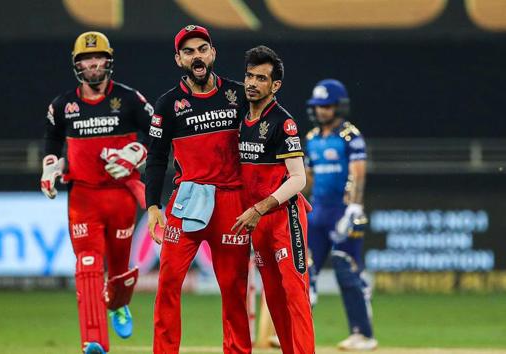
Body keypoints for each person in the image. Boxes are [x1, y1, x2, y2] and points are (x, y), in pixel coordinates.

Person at [40, 31, 153, 354]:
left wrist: (137, 153)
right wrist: (51, 166)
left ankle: (118, 304)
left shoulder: (129, 99)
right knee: (88, 264)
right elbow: (52, 139)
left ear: (108, 61)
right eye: (85, 59)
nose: (92, 64)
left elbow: (157, 134)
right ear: (77, 65)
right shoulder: (63, 105)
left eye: (97, 57)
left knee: (118, 270)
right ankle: (94, 341)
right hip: (83, 198)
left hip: (119, 196)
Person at [144, 25, 252, 353]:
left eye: (202, 48)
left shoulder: (239, 95)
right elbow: (156, 159)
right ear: (179, 59)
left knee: (234, 289)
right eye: (189, 51)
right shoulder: (168, 104)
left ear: (213, 53)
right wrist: (152, 207)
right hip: (187, 200)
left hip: (232, 201)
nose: (197, 55)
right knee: (168, 284)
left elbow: (262, 143)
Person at [233, 45, 315, 354]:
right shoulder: (240, 117)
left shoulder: (283, 122)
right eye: (249, 76)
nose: (252, 83)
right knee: (274, 296)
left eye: (261, 78)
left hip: (285, 218)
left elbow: (298, 178)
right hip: (258, 223)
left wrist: (260, 207)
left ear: (275, 85)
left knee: (294, 292)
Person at [304, 79, 378, 351]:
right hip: (317, 213)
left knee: (346, 270)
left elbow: (358, 173)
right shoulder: (311, 139)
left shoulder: (350, 136)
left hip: (344, 213)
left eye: (327, 106)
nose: (322, 111)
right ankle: (296, 333)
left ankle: (362, 333)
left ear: (338, 106)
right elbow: (307, 178)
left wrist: (355, 207)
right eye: (318, 106)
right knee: (305, 272)